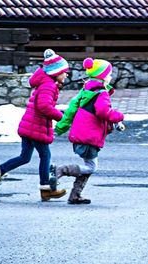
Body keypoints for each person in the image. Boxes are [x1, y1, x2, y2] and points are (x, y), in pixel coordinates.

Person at [0, 49, 69, 201]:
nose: (66, 75)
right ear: (56, 72)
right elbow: (44, 106)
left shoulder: (45, 83)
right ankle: (45, 188)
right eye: (64, 72)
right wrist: (61, 117)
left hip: (29, 126)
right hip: (36, 126)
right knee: (45, 155)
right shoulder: (49, 86)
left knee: (25, 157)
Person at [54, 57, 124, 204]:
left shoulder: (87, 89)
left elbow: (72, 108)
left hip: (82, 134)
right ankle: (60, 170)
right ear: (103, 76)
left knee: (88, 166)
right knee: (91, 167)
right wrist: (119, 115)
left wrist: (62, 126)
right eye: (109, 74)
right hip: (89, 136)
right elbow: (103, 111)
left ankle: (75, 195)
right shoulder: (100, 93)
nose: (110, 76)